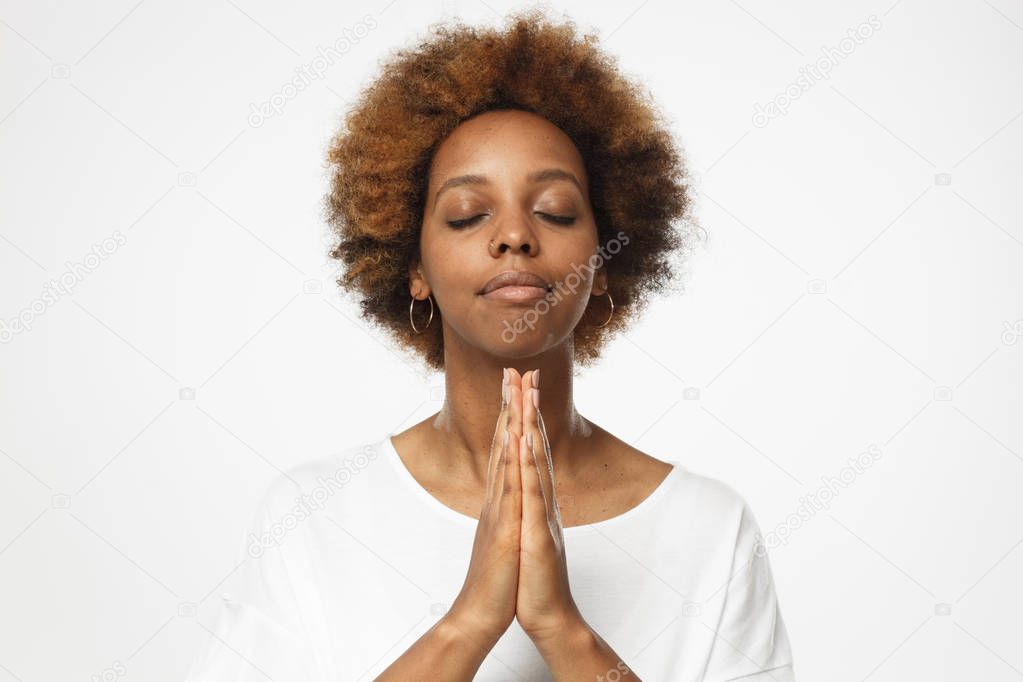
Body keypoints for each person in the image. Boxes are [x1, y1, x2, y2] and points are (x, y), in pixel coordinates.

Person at [185, 9, 795, 681]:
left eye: (555, 211)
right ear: (410, 266)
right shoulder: (312, 516)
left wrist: (561, 629)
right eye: (467, 215)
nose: (513, 236)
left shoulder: (709, 527)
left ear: (602, 262)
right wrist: (468, 622)